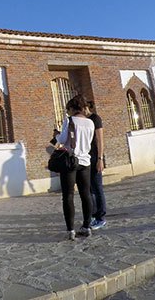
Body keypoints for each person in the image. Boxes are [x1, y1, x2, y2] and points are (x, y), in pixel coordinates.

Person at [55, 95, 95, 240]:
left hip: (70, 162)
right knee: (86, 195)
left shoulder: (69, 120)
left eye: (68, 109)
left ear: (72, 108)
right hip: (85, 162)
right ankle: (86, 226)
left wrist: (57, 134)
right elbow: (89, 141)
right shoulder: (90, 123)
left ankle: (70, 230)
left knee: (68, 196)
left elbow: (62, 140)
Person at [86, 101, 106, 230]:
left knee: (97, 189)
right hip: (86, 158)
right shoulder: (83, 120)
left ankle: (101, 218)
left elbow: (100, 139)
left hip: (95, 157)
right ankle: (93, 215)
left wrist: (100, 158)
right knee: (89, 189)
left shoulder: (95, 118)